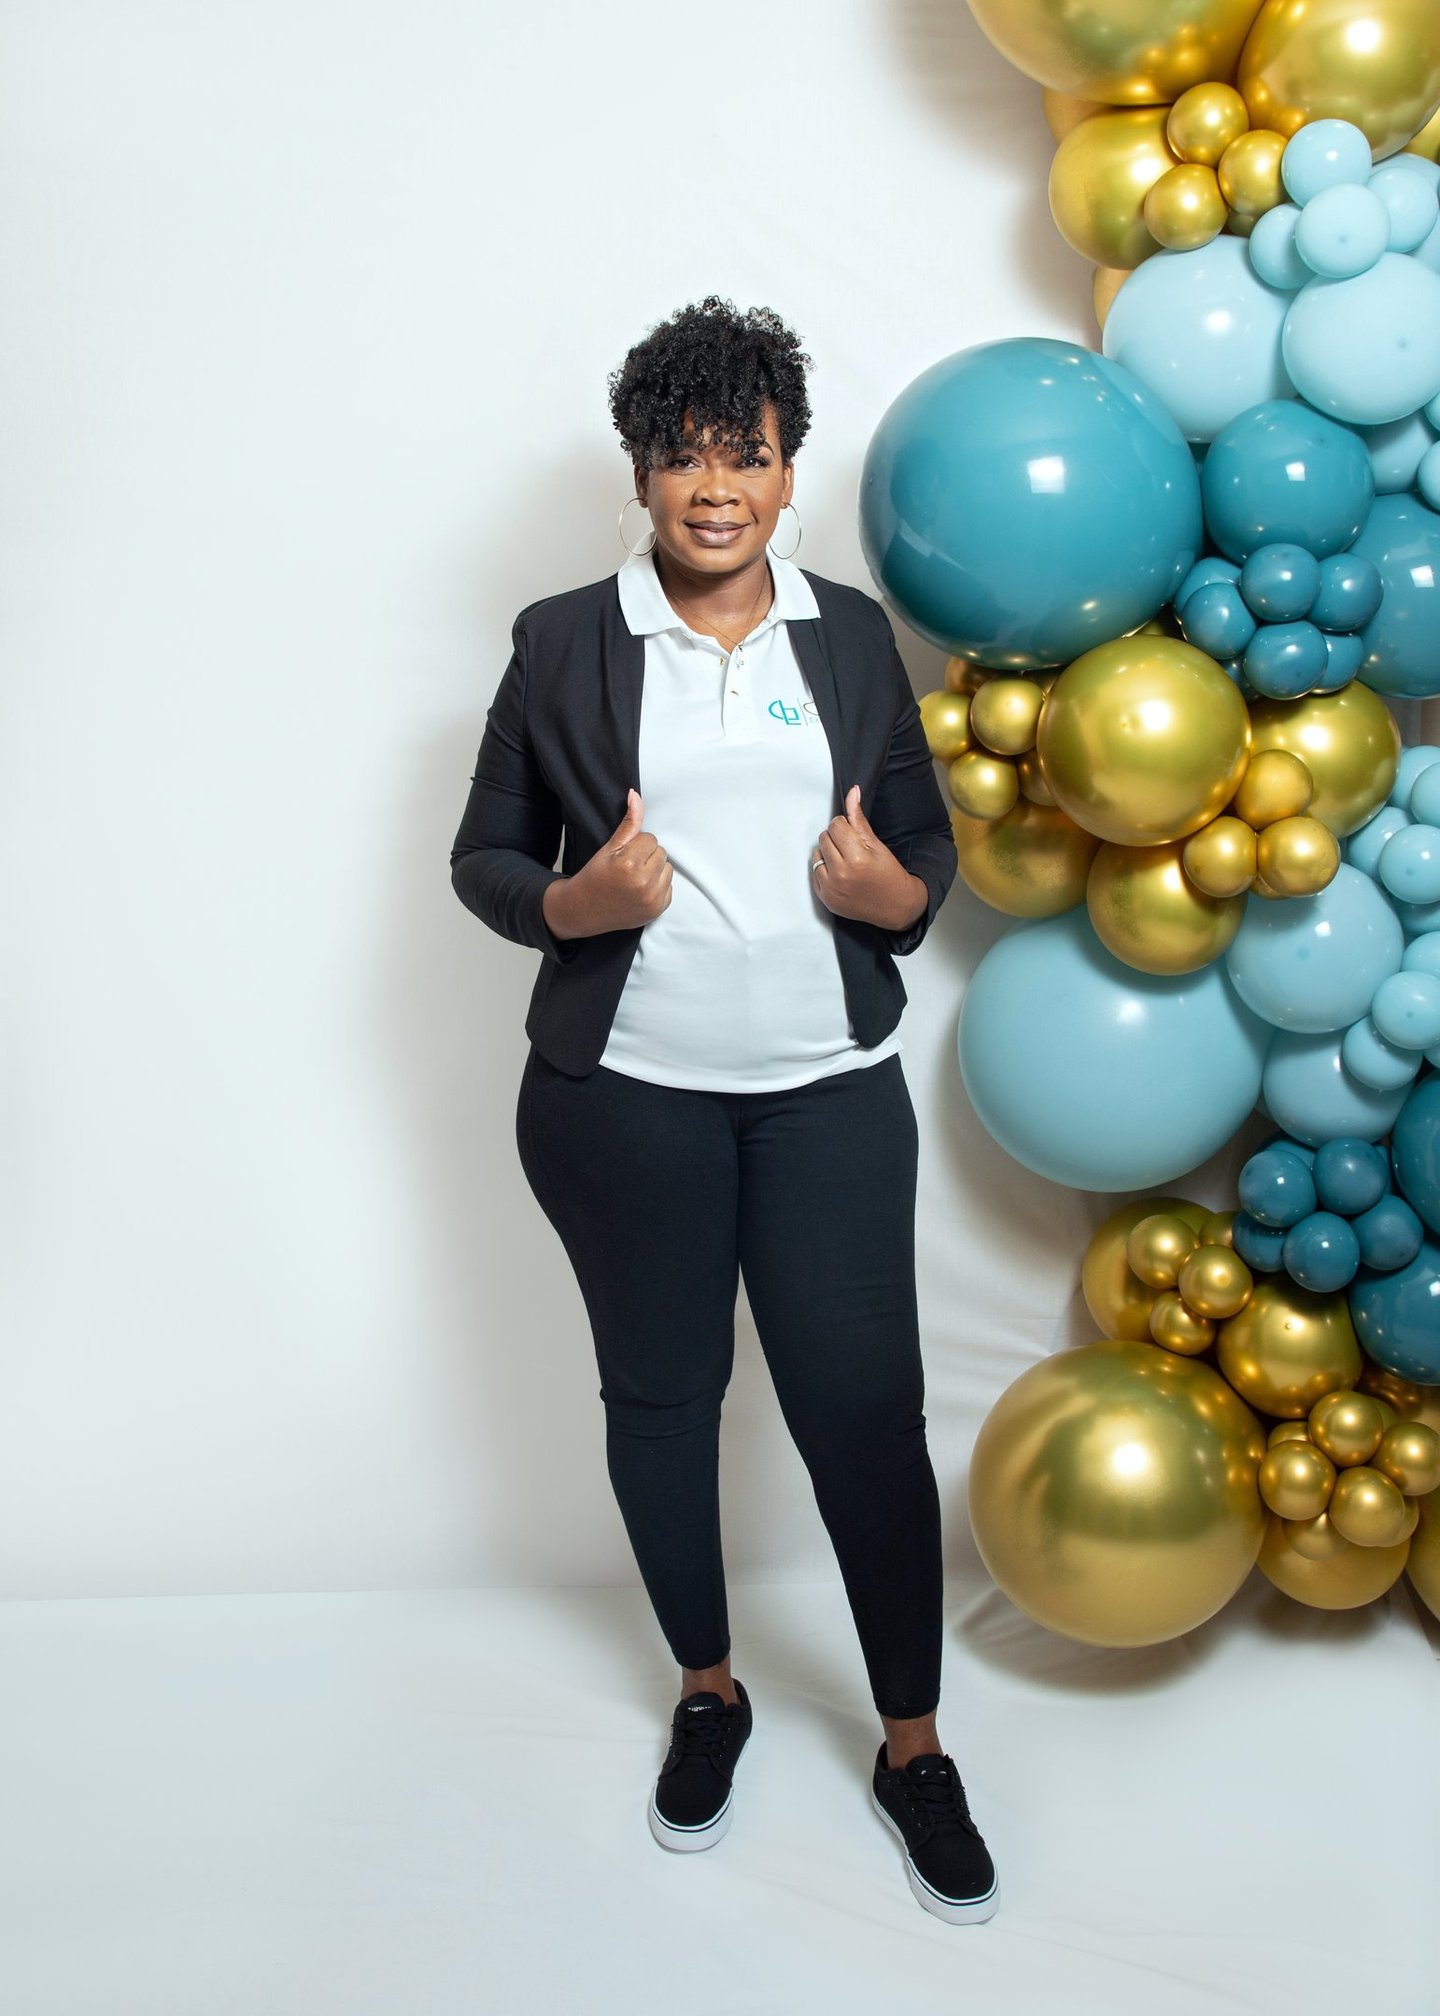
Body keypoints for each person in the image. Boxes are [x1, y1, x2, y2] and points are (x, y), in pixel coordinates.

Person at [449, 296, 998, 1925]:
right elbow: (484, 854)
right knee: (662, 1406)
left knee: (863, 1424)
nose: (714, 484)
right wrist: (575, 905)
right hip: (625, 1111)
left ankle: (912, 1748)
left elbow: (921, 853)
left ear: (786, 470)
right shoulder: (562, 641)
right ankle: (710, 1690)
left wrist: (895, 890)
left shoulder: (847, 634)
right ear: (639, 471)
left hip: (825, 1100)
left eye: (744, 454)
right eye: (683, 453)